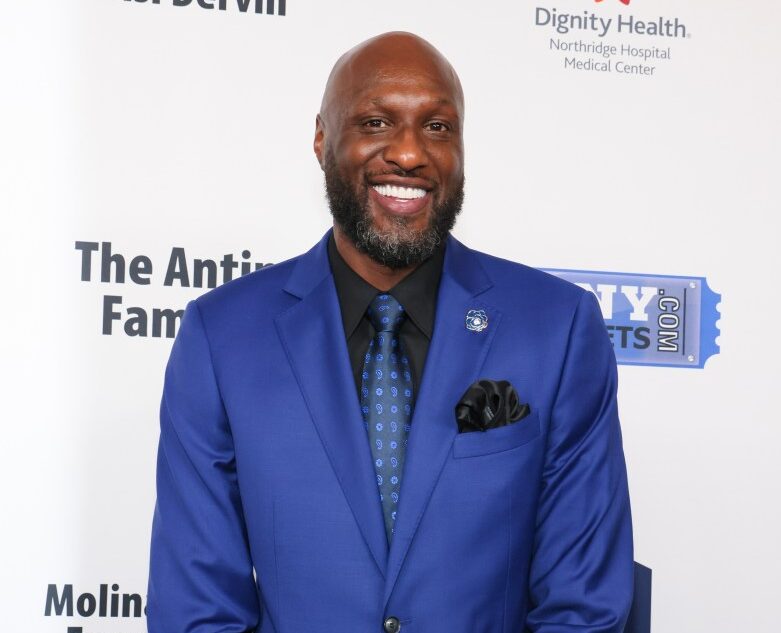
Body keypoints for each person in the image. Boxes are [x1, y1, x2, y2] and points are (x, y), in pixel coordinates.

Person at [147, 31, 633, 633]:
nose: (409, 154)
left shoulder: (557, 328)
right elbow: (196, 609)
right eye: (376, 122)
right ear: (324, 140)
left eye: (437, 127)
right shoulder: (222, 337)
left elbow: (583, 605)